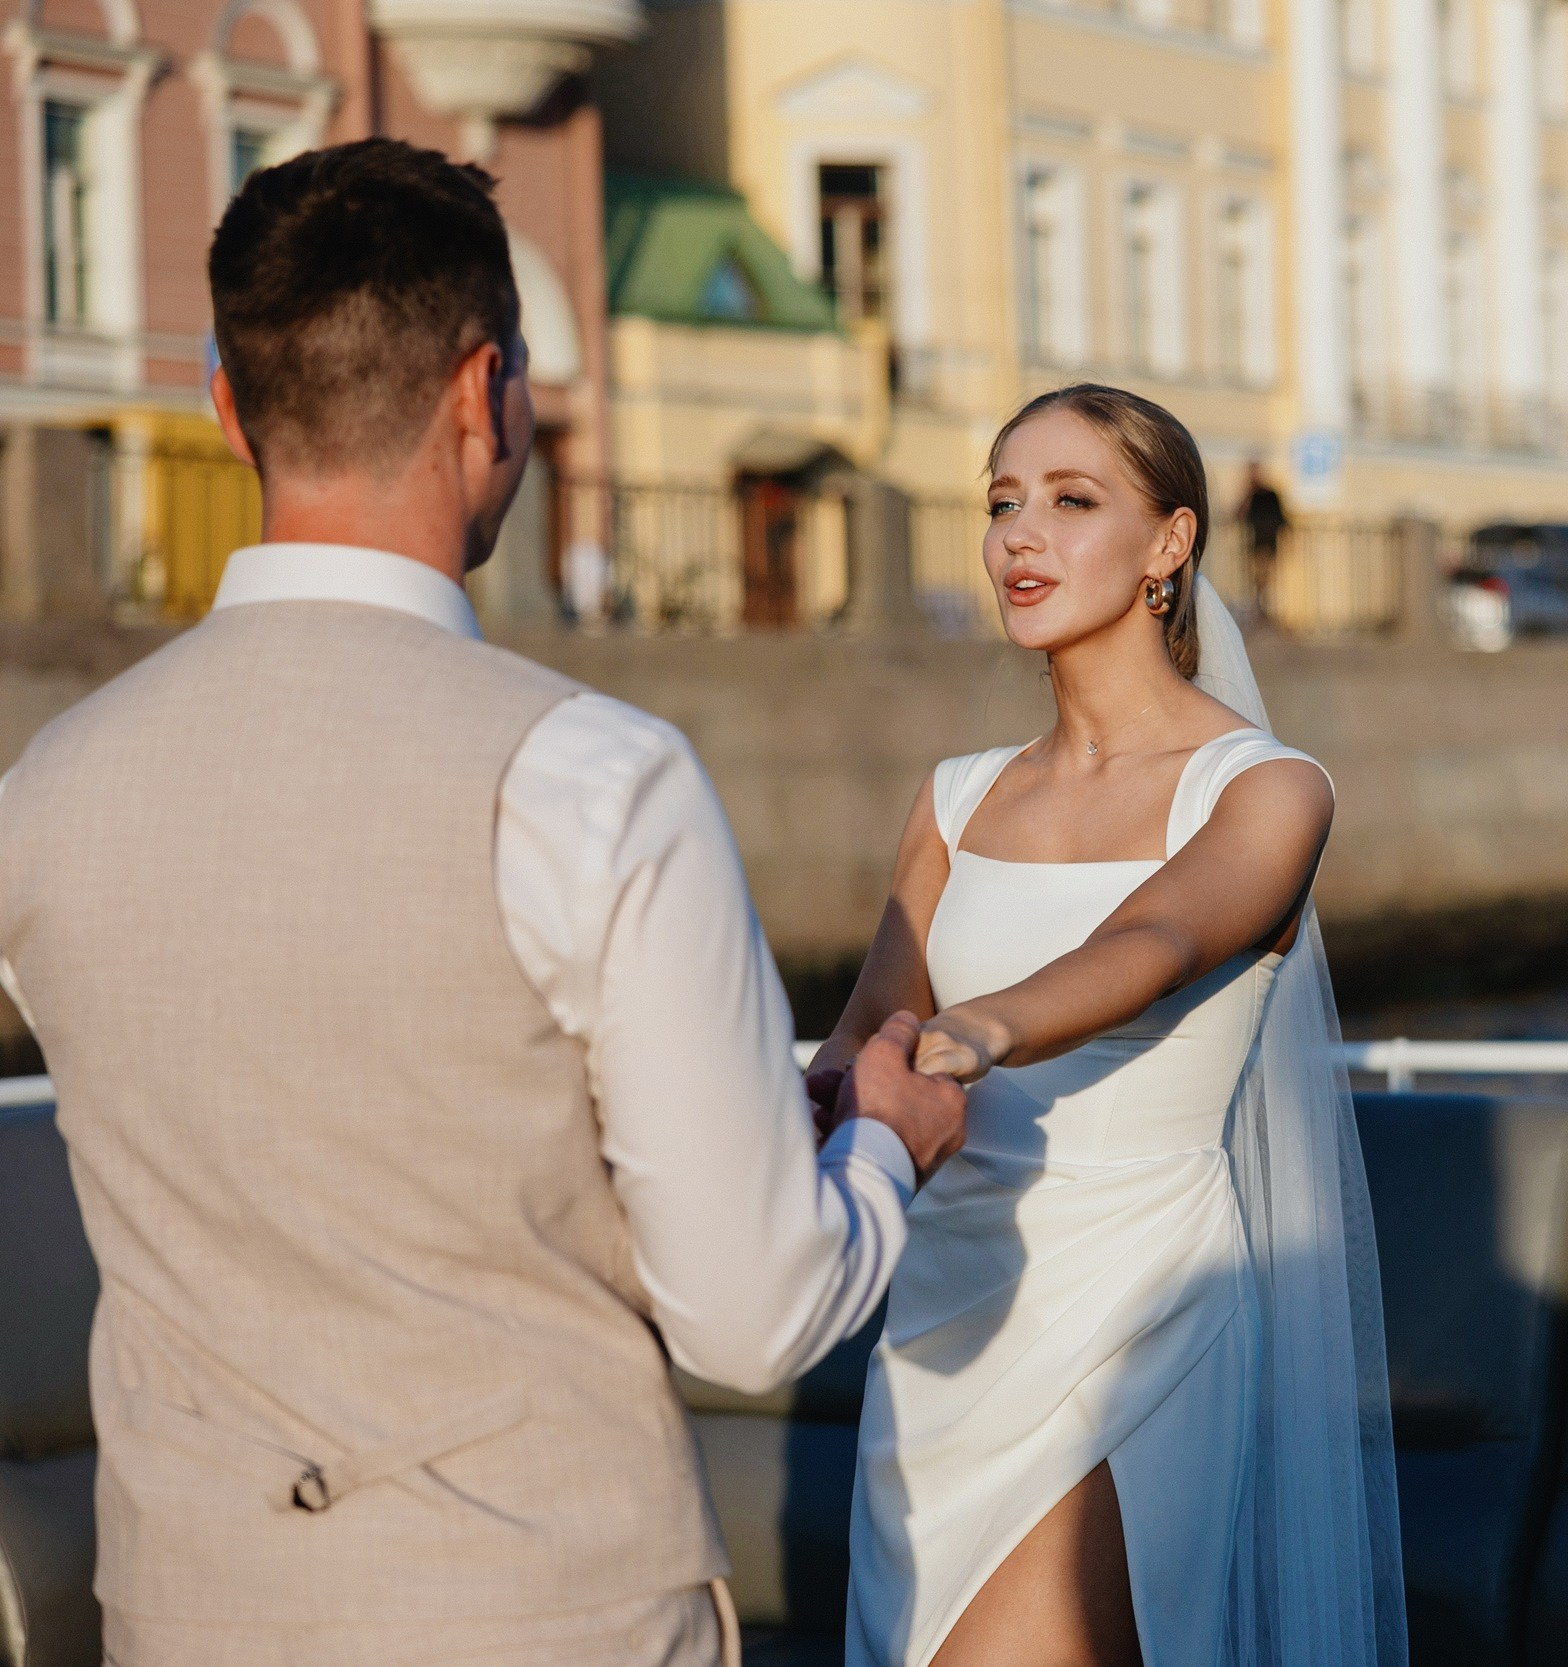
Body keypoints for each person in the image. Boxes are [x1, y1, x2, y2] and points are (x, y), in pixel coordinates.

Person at [0, 140, 965, 1667]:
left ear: (229, 408)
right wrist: (885, 1143)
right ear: (484, 392)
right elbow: (754, 1312)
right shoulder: (594, 777)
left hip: (184, 1611)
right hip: (540, 1610)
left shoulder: (48, 789)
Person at [812, 385, 1405, 1667]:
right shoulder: (956, 796)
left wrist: (979, 1030)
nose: (1019, 534)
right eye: (1001, 502)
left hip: (1136, 1298)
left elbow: (1155, 945)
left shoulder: (1267, 788)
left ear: (1169, 542)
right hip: (942, 1309)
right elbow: (866, 1029)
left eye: (1071, 500)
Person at [1237, 461, 1289, 622]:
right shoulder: (1251, 495)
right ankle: (1259, 608)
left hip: (1266, 543)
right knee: (1256, 579)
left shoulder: (1270, 495)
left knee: (1263, 578)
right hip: (1255, 544)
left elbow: (1280, 518)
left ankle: (1262, 609)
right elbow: (1239, 514)